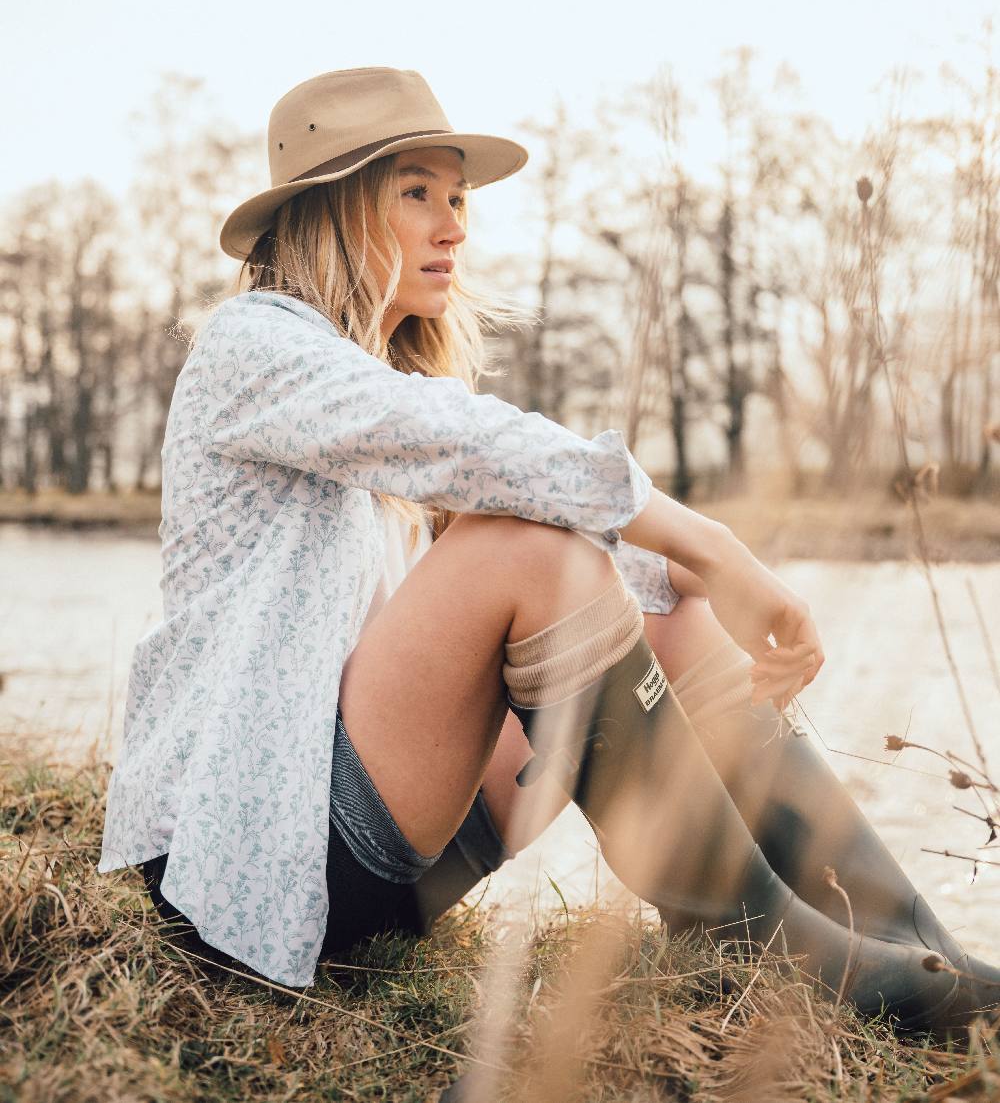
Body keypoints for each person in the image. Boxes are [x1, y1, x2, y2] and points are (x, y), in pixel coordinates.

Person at [98, 67, 998, 1045]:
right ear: (329, 213)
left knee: (666, 603)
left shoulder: (369, 382)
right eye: (416, 193)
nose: (452, 227)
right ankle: (749, 940)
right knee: (522, 547)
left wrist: (685, 574)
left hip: (378, 850)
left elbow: (540, 528)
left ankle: (913, 940)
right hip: (251, 860)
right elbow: (480, 453)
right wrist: (713, 542)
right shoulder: (253, 344)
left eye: (457, 199)